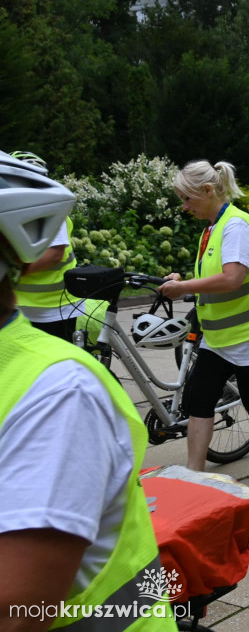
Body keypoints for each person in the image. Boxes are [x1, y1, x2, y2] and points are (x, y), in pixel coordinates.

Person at [0, 151, 175, 629]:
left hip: (58, 313)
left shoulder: (57, 393)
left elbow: (16, 611)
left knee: (78, 376)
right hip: (36, 318)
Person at [158, 160, 249, 495]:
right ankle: (195, 476)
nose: (184, 206)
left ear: (208, 191)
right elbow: (218, 275)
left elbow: (232, 278)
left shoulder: (235, 225)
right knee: (199, 398)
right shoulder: (214, 227)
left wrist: (186, 286)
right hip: (222, 336)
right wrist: (183, 280)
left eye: (188, 198)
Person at [9, 151, 84, 341]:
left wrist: (12, 272)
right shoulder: (14, 210)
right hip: (21, 304)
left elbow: (54, 254)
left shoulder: (49, 208)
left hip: (55, 307)